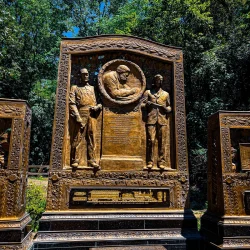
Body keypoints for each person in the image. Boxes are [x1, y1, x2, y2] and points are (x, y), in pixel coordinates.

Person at [69, 68, 102, 169]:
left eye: (87, 74)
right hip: (81, 113)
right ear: (79, 76)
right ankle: (75, 159)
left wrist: (97, 107)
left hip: (92, 114)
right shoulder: (74, 88)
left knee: (92, 137)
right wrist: (77, 117)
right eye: (84, 74)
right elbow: (72, 103)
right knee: (78, 137)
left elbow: (101, 102)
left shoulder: (92, 88)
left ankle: (92, 160)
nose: (86, 76)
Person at [142, 74, 172, 170]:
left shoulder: (166, 94)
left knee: (162, 141)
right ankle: (150, 162)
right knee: (151, 140)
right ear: (154, 81)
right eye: (157, 80)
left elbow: (169, 107)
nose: (159, 82)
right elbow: (142, 105)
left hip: (162, 120)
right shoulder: (148, 92)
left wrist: (165, 108)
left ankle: (161, 162)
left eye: (160, 80)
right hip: (151, 119)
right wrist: (147, 104)